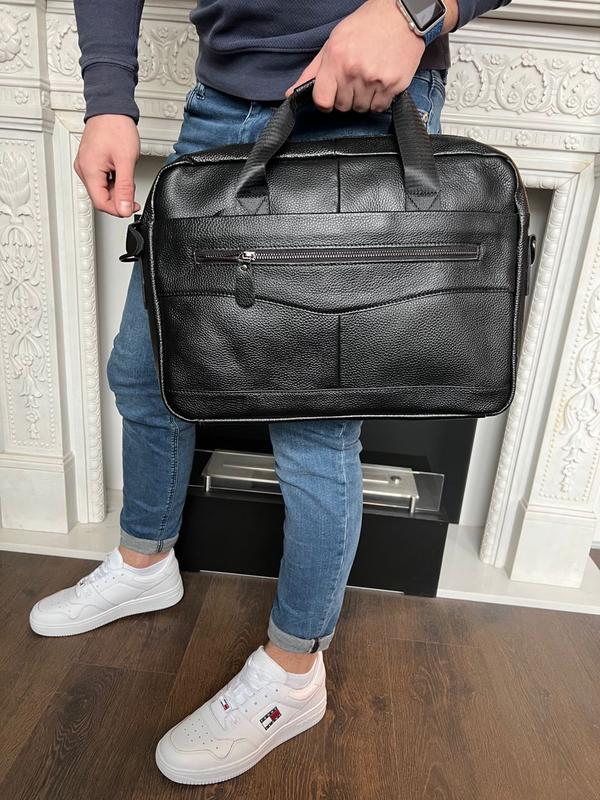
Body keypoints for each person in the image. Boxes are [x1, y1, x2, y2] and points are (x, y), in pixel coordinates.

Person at [30, 0, 511, 786]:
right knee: (147, 371)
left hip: (362, 102)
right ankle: (145, 562)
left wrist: (414, 12)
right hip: (218, 102)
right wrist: (107, 99)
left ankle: (294, 672)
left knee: (313, 430)